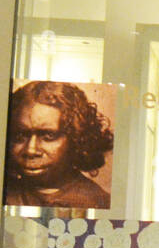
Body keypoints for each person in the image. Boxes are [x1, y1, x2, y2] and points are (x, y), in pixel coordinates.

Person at [5, 81, 113, 209]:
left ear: (76, 139)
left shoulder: (98, 202)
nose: (30, 150)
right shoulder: (6, 190)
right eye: (20, 136)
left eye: (48, 136)